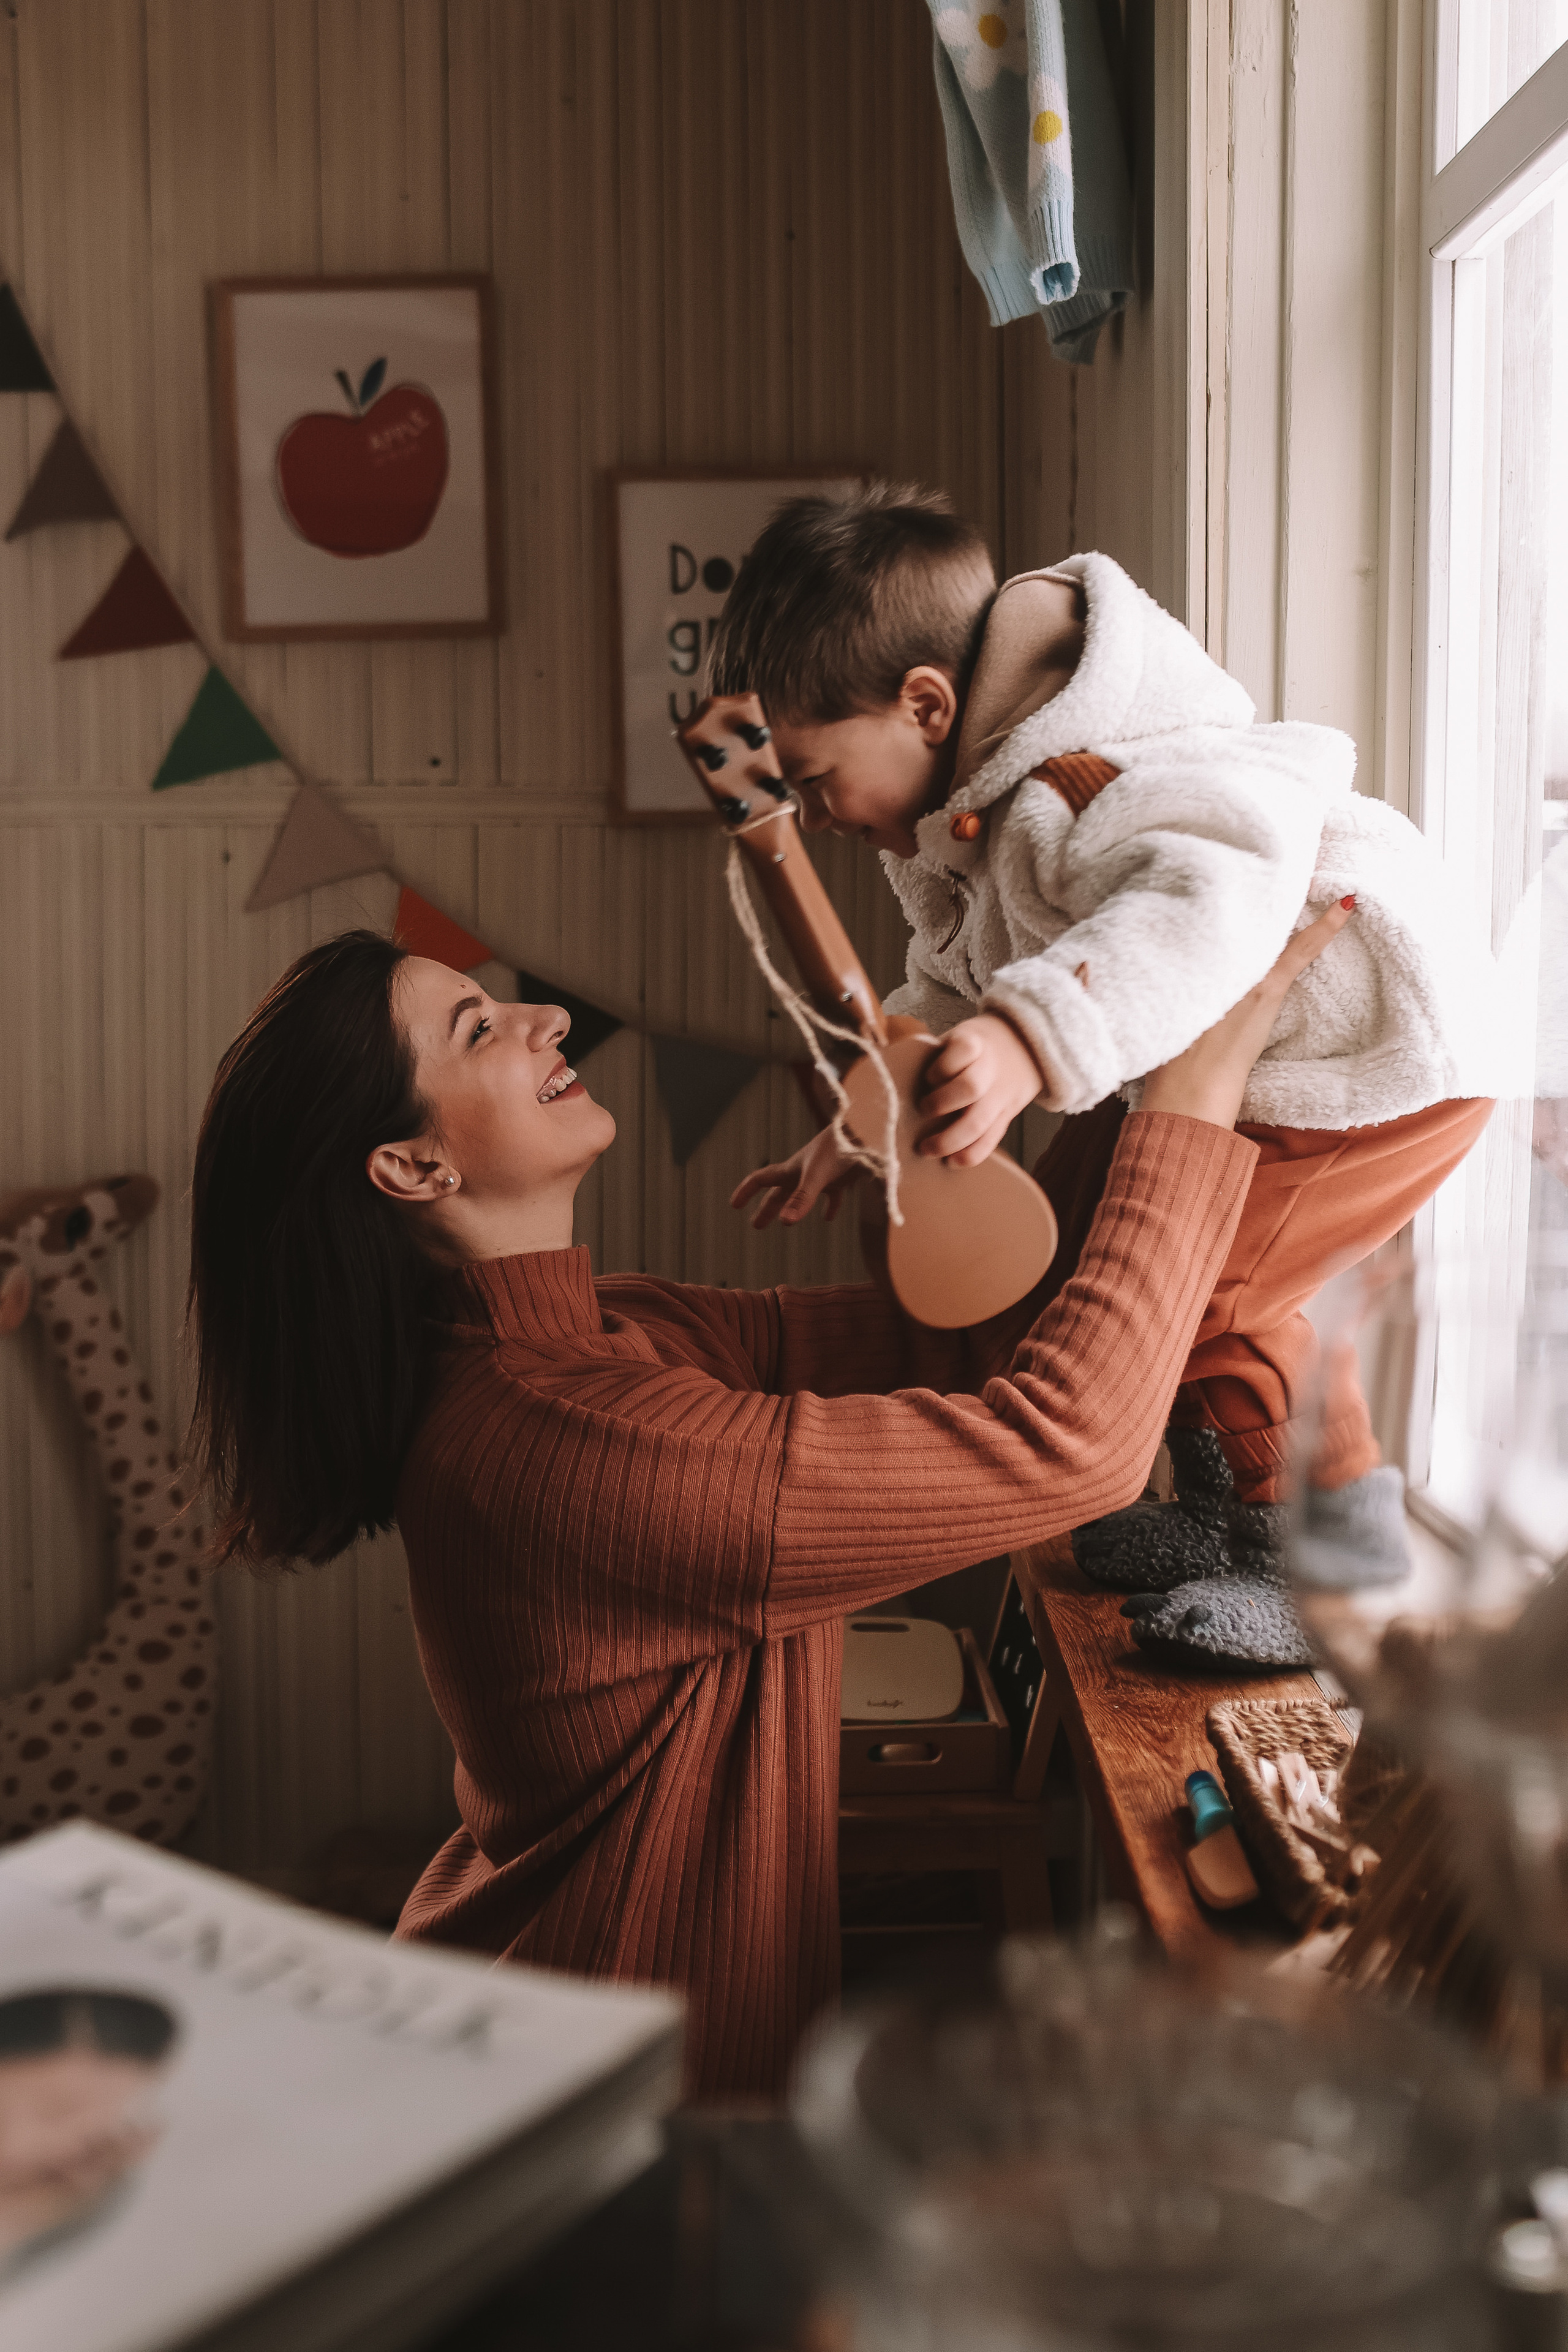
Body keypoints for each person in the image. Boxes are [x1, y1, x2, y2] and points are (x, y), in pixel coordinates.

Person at [186, 910, 1345, 2102]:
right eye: (478, 1025)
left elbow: (955, 1336)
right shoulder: (563, 1438)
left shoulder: (604, 1338)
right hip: (589, 2102)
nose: (546, 1016)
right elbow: (1072, 1444)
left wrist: (1111, 1037)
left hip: (587, 2051)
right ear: (415, 1167)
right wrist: (1190, 1094)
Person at [710, 484, 1497, 1652]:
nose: (816, 816)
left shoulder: (1093, 777)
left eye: (819, 779)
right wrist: (868, 1116)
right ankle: (1225, 1519)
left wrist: (1031, 1041)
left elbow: (1209, 902)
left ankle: (1330, 1565)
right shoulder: (970, 817)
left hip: (1366, 1058)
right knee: (1094, 1248)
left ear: (926, 705)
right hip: (1237, 1070)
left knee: (1201, 1295)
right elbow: (956, 976)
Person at [0, 1988, 176, 2280]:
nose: (62, 2150)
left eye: (93, 2134)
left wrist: (22, 2215)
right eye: (55, 2111)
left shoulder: (71, 2192)